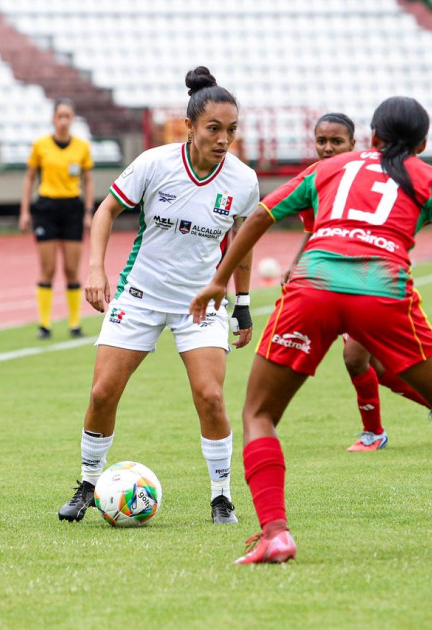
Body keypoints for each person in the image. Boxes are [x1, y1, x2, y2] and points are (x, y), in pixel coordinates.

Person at [191, 96, 432, 563]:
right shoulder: (430, 178)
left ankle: (275, 534)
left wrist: (217, 281)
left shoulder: (332, 168)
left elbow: (262, 215)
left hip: (314, 288)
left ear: (371, 137)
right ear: (423, 144)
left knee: (259, 414)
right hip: (383, 292)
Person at [57, 67, 259, 525]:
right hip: (141, 294)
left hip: (201, 304)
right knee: (103, 392)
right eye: (213, 129)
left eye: (231, 130)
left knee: (210, 397)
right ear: (189, 127)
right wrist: (95, 269)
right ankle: (89, 485)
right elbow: (106, 209)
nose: (223, 139)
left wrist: (242, 303)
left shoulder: (243, 181)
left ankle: (221, 497)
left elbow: (242, 245)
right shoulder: (155, 163)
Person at [283, 112, 432, 452]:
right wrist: (296, 264)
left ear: (354, 144)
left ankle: (374, 433)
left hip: (369, 277)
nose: (328, 148)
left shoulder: (361, 176)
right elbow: (315, 231)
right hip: (332, 276)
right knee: (371, 364)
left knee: (355, 359)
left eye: (336, 142)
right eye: (321, 141)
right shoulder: (316, 179)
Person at [19, 98, 95, 340]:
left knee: (72, 269)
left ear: (72, 119)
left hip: (72, 207)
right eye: (60, 116)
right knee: (47, 269)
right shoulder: (41, 145)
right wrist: (25, 211)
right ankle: (44, 324)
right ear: (54, 118)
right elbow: (30, 177)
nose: (63, 121)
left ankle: (74, 324)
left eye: (68, 116)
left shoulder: (81, 147)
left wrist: (88, 211)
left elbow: (88, 179)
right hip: (47, 208)